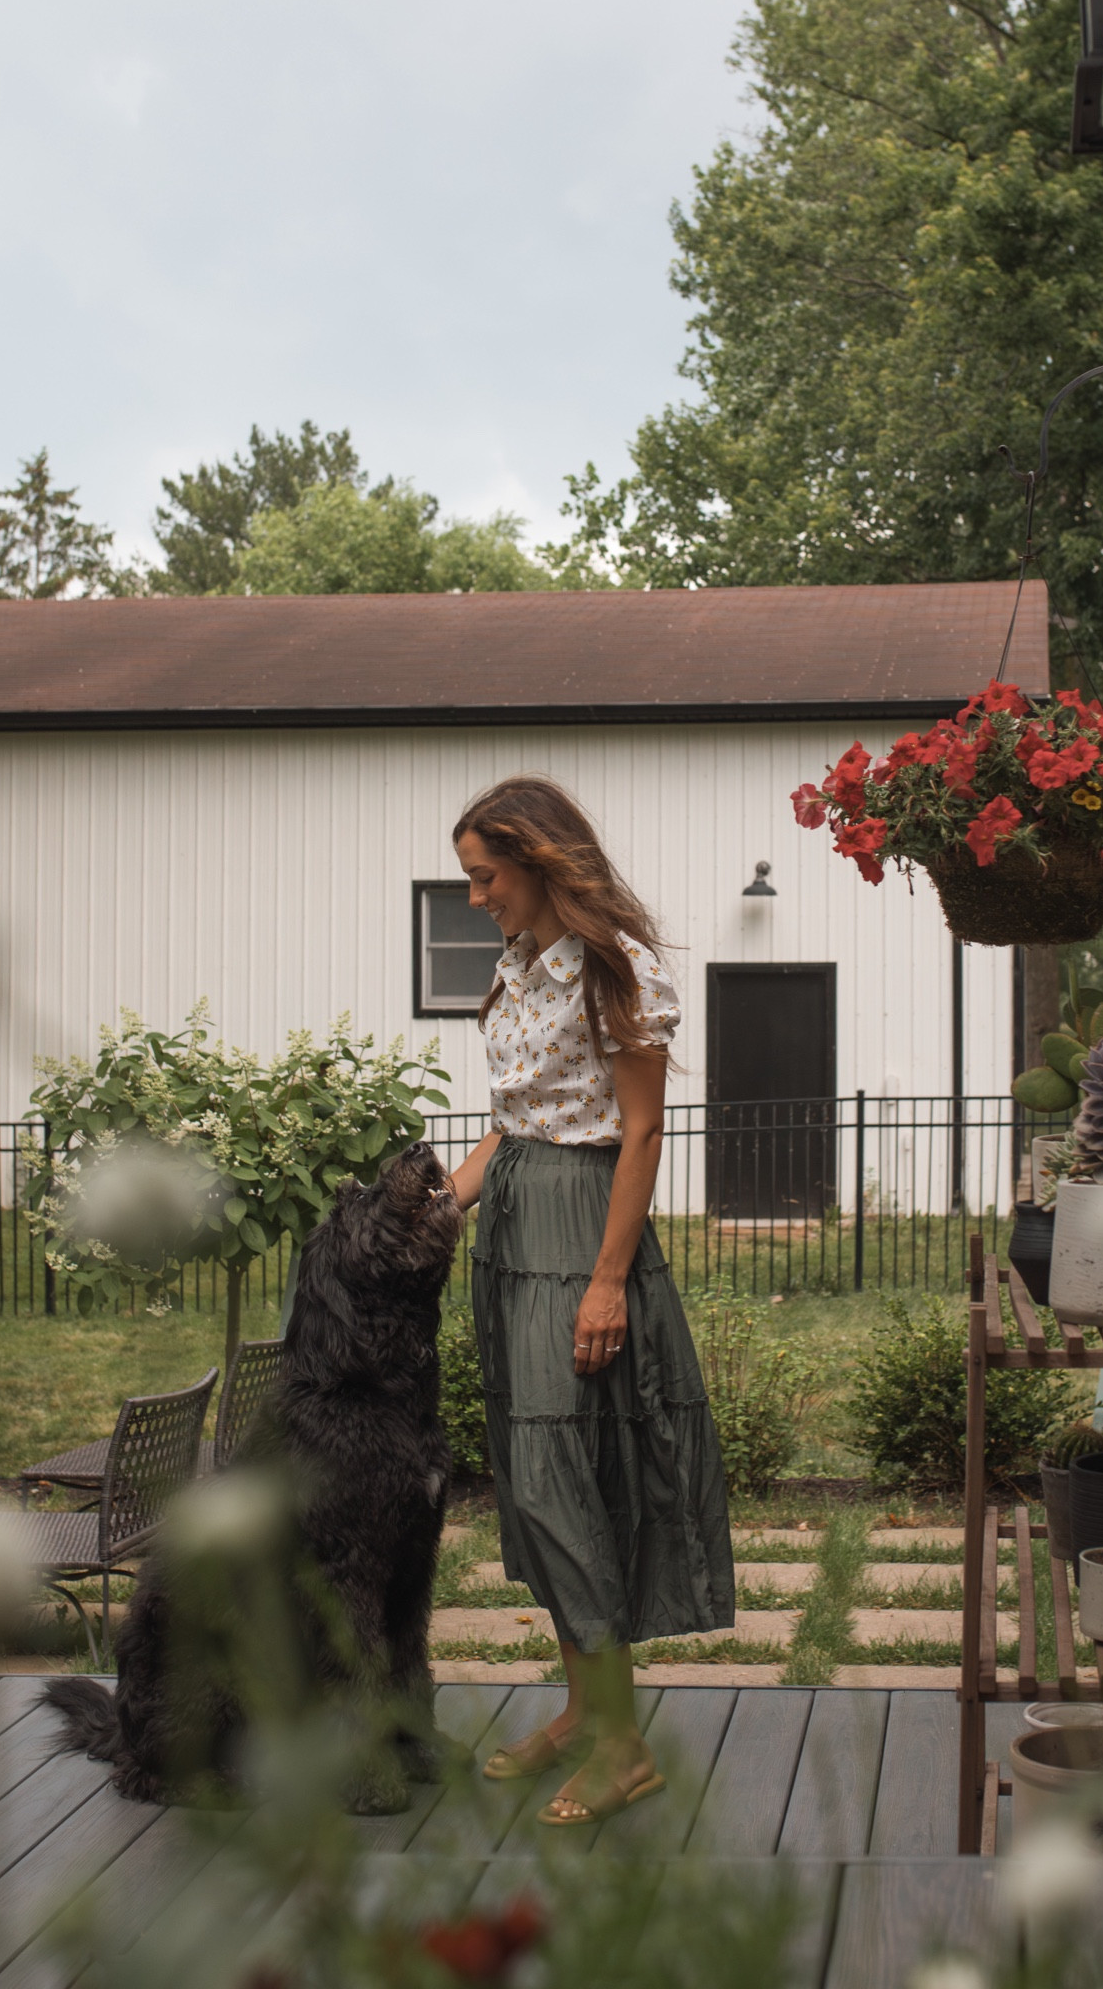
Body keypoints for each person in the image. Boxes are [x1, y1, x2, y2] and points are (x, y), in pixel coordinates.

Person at [446, 776, 735, 1827]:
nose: (475, 895)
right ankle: (581, 1707)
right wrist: (438, 1208)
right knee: (535, 1478)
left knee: (565, 1474)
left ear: (536, 859)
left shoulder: (617, 970)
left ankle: (621, 1745)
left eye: (484, 875)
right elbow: (512, 1120)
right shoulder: (517, 964)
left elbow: (640, 1130)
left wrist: (608, 1278)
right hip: (516, 1224)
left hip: (580, 1231)